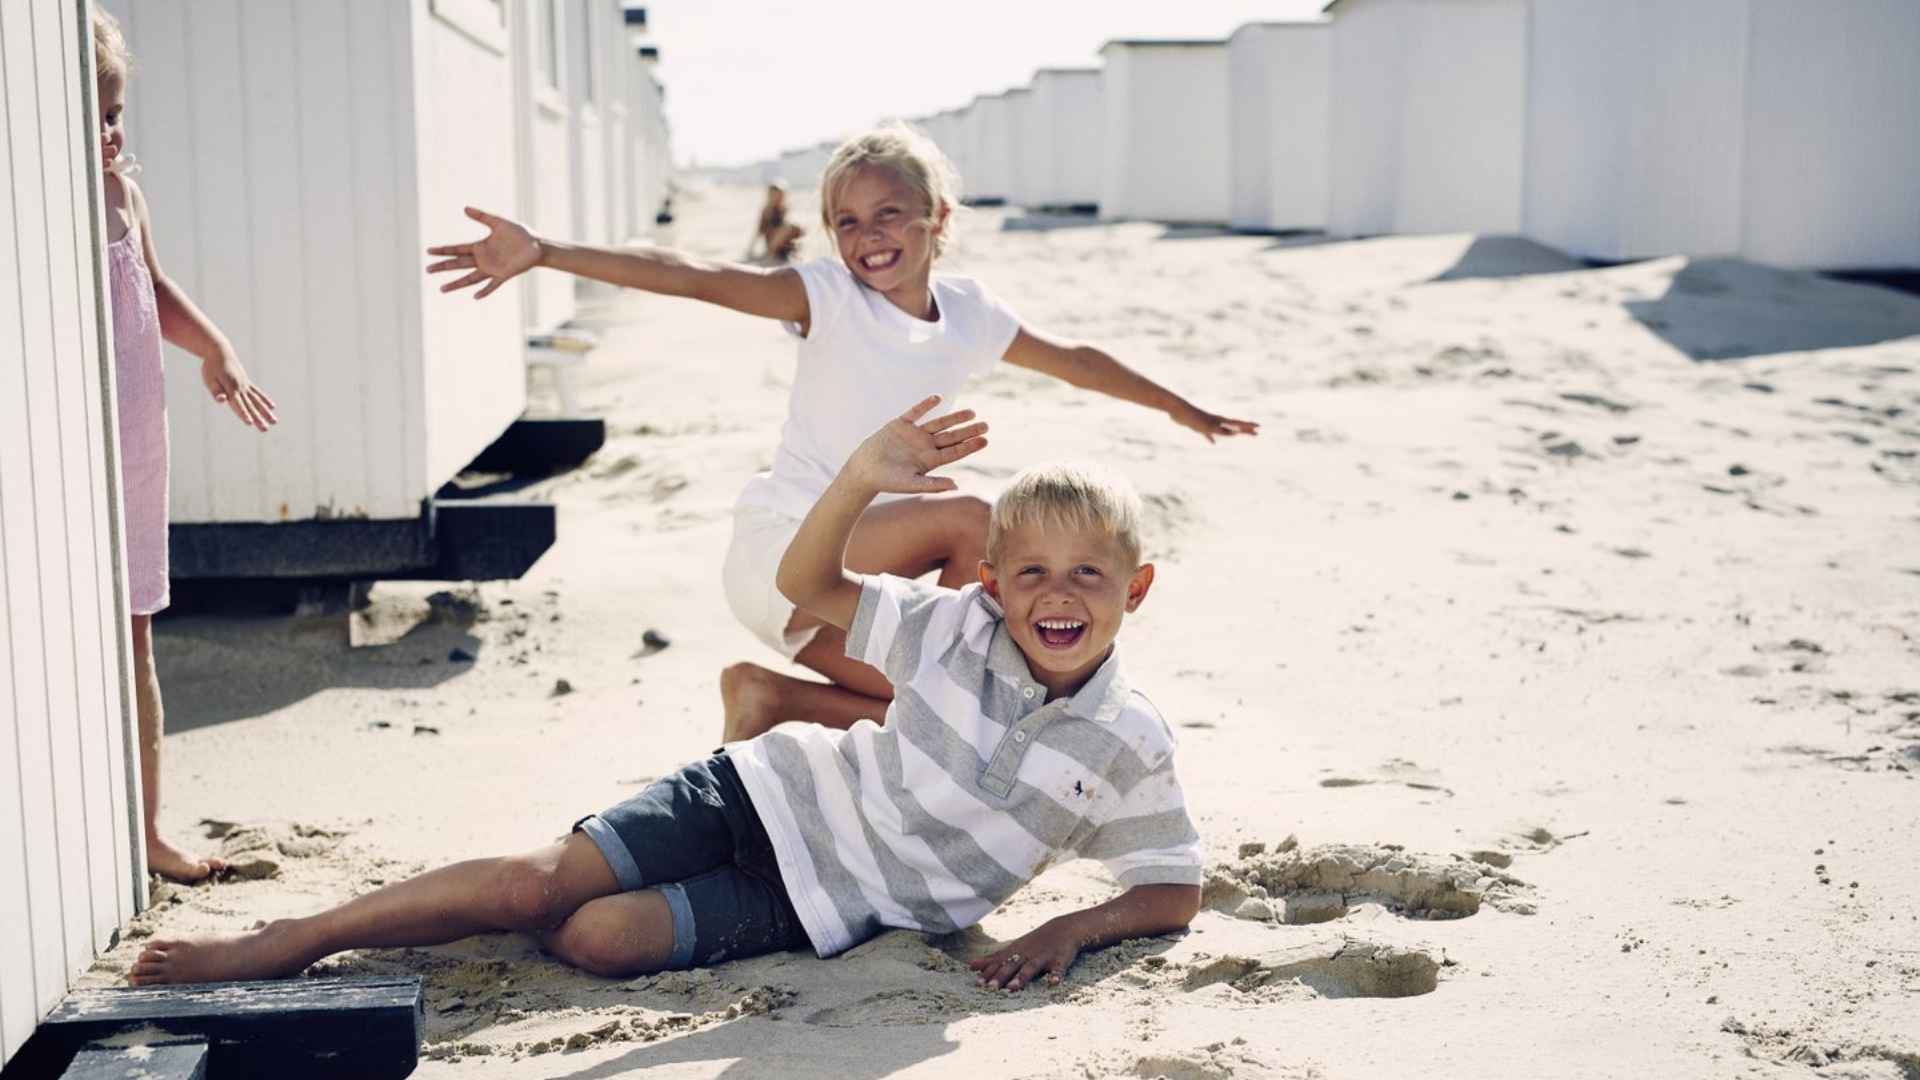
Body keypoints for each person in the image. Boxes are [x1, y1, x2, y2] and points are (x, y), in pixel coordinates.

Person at [126, 403, 1202, 991]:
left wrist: (1073, 924)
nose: (1057, 597)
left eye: (1087, 576)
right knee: (527, 888)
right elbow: (805, 585)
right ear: (991, 580)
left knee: (598, 939)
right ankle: (296, 939)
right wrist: (860, 478)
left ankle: (559, 890)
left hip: (827, 905)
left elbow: (1169, 889)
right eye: (1030, 573)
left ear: (1135, 591)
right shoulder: (949, 626)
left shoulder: (1128, 741)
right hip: (763, 793)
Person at [424, 124, 1258, 742]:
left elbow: (1074, 359)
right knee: (977, 520)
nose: (868, 239)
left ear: (938, 216)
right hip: (788, 548)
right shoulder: (824, 297)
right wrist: (544, 252)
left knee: (965, 711)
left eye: (889, 214)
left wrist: (1178, 406)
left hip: (837, 588)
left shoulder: (968, 313)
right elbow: (696, 276)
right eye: (848, 223)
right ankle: (974, 660)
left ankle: (768, 700)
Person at [93, 10, 280, 883]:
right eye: (92, 112)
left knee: (134, 630)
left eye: (115, 107)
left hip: (133, 446)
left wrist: (215, 348)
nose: (111, 128)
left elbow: (153, 286)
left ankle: (151, 827)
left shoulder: (123, 196)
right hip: (69, 453)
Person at [747, 180, 803, 262]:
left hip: (784, 243)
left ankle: (789, 252)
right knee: (787, 228)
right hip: (772, 241)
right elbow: (759, 230)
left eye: (780, 196)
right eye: (774, 195)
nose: (777, 198)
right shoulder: (767, 210)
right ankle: (770, 254)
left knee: (795, 227)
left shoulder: (784, 209)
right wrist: (751, 248)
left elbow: (788, 226)